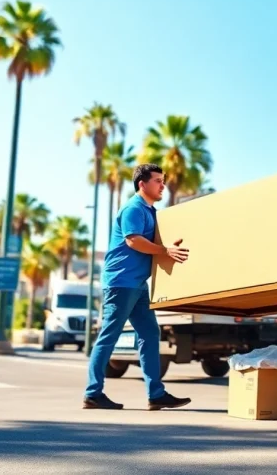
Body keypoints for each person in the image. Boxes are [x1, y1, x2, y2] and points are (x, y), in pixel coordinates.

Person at [83, 163, 191, 411]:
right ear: (142, 184)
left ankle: (156, 393)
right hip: (121, 282)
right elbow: (133, 241)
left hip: (138, 284)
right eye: (157, 180)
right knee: (109, 336)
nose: (162, 185)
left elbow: (154, 242)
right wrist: (165, 251)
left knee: (150, 334)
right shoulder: (133, 208)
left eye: (163, 180)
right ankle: (92, 393)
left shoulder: (152, 212)